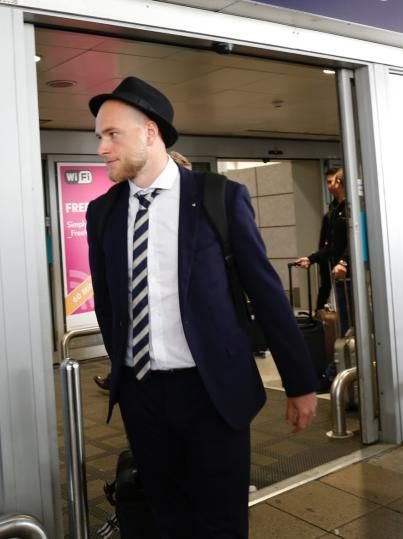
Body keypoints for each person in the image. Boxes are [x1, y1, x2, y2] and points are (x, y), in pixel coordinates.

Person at [86, 76, 318, 538]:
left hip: (212, 394)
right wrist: (127, 378)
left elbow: (267, 294)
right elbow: (109, 302)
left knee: (221, 521)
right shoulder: (104, 212)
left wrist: (300, 381)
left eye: (112, 134)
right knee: (164, 517)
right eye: (100, 137)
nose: (102, 148)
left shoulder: (218, 198)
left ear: (150, 132)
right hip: (143, 394)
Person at [93, 150, 193, 393]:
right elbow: (105, 295)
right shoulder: (105, 211)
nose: (103, 149)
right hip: (136, 384)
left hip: (201, 376)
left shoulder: (210, 203)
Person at [296, 167, 350, 333]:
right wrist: (311, 258)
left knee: (353, 315)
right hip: (338, 273)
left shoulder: (352, 207)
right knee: (344, 318)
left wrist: (344, 262)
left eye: (330, 182)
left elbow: (356, 240)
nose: (327, 186)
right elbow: (330, 245)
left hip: (351, 272)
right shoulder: (333, 211)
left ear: (339, 182)